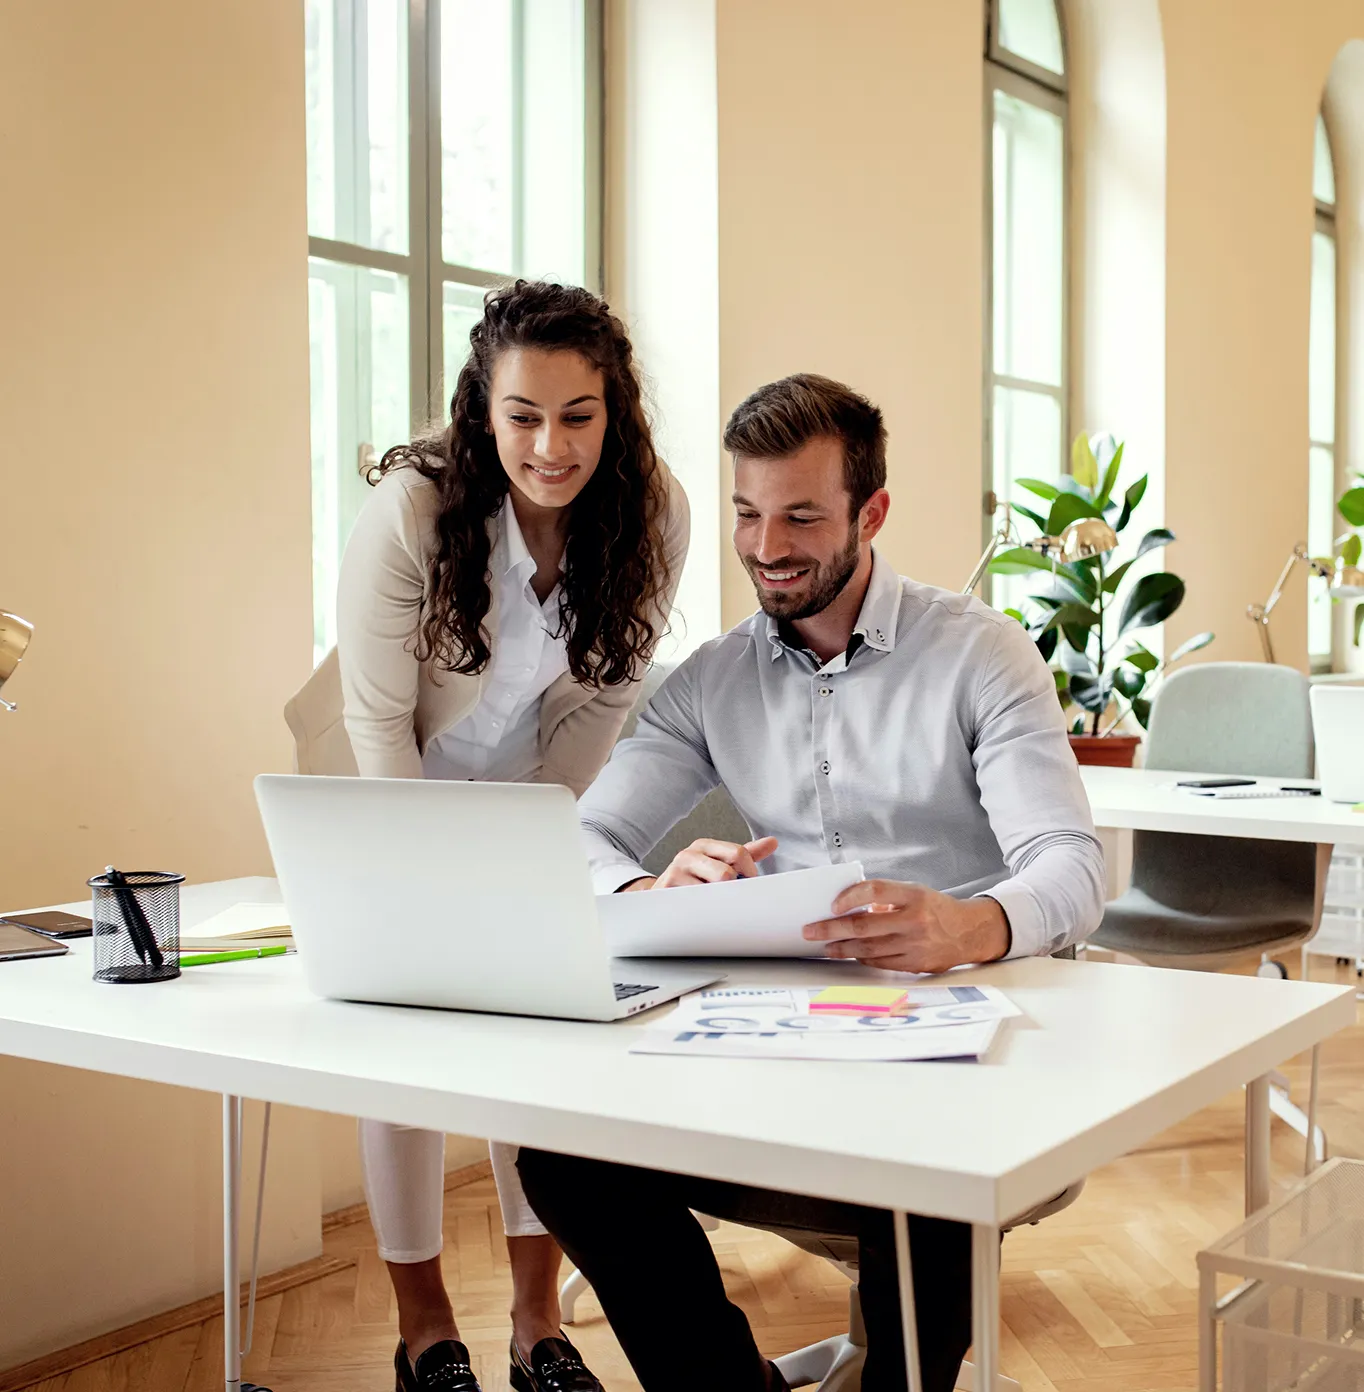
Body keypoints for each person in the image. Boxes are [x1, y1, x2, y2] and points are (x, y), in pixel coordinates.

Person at [515, 373, 1105, 1392]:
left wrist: (970, 925)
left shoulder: (980, 656)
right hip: (781, 1047)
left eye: (799, 516)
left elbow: (1071, 865)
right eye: (747, 514)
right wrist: (643, 891)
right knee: (560, 1156)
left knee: (927, 1169)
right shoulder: (710, 681)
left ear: (869, 513)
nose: (765, 546)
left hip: (953, 1048)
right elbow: (585, 834)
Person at [288, 281, 688, 1392]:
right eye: (522, 416)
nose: (550, 445)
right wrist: (428, 882)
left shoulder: (654, 514)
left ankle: (534, 1327)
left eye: (577, 415)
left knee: (540, 1043)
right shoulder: (413, 513)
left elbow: (605, 700)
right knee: (401, 1050)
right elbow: (376, 716)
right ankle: (425, 1337)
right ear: (481, 409)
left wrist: (527, 849)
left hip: (524, 791)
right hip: (382, 788)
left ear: (616, 412)